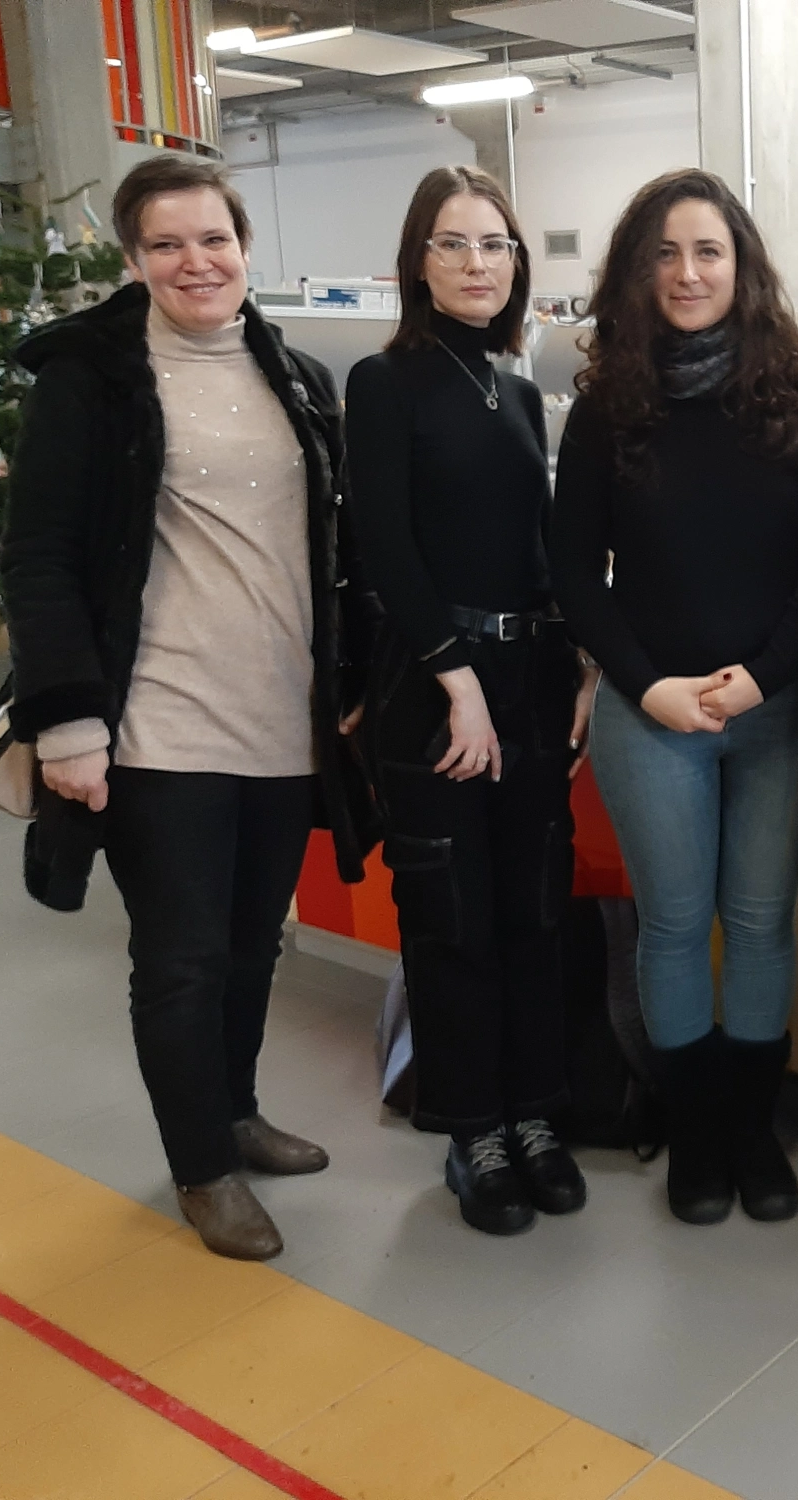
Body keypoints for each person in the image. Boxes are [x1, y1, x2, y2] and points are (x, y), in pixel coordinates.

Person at [2, 155, 373, 1261]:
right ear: (134, 259)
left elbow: (332, 550)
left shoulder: (293, 374)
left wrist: (350, 683)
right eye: (166, 244)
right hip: (157, 719)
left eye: (213, 239)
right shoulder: (93, 380)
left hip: (280, 717)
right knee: (181, 959)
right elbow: (40, 556)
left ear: (246, 247)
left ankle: (236, 1111)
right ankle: (202, 1168)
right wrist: (69, 723)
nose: (195, 262)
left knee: (255, 945)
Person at [552, 169, 798, 1227]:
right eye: (665, 254)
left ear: (741, 267)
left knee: (760, 925)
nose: (687, 273)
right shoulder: (606, 411)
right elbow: (574, 573)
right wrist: (649, 687)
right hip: (652, 717)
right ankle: (696, 1136)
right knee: (674, 930)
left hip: (780, 711)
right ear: (638, 272)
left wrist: (762, 676)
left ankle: (752, 1131)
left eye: (708, 251)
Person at [346, 166, 589, 1237]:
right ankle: (472, 1133)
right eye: (453, 243)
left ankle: (533, 1116)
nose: (477, 263)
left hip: (529, 682)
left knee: (531, 912)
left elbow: (537, 551)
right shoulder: (384, 381)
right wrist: (458, 682)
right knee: (453, 923)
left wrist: (580, 663)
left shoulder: (517, 389)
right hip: (437, 689)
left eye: (495, 244)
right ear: (418, 261)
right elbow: (385, 550)